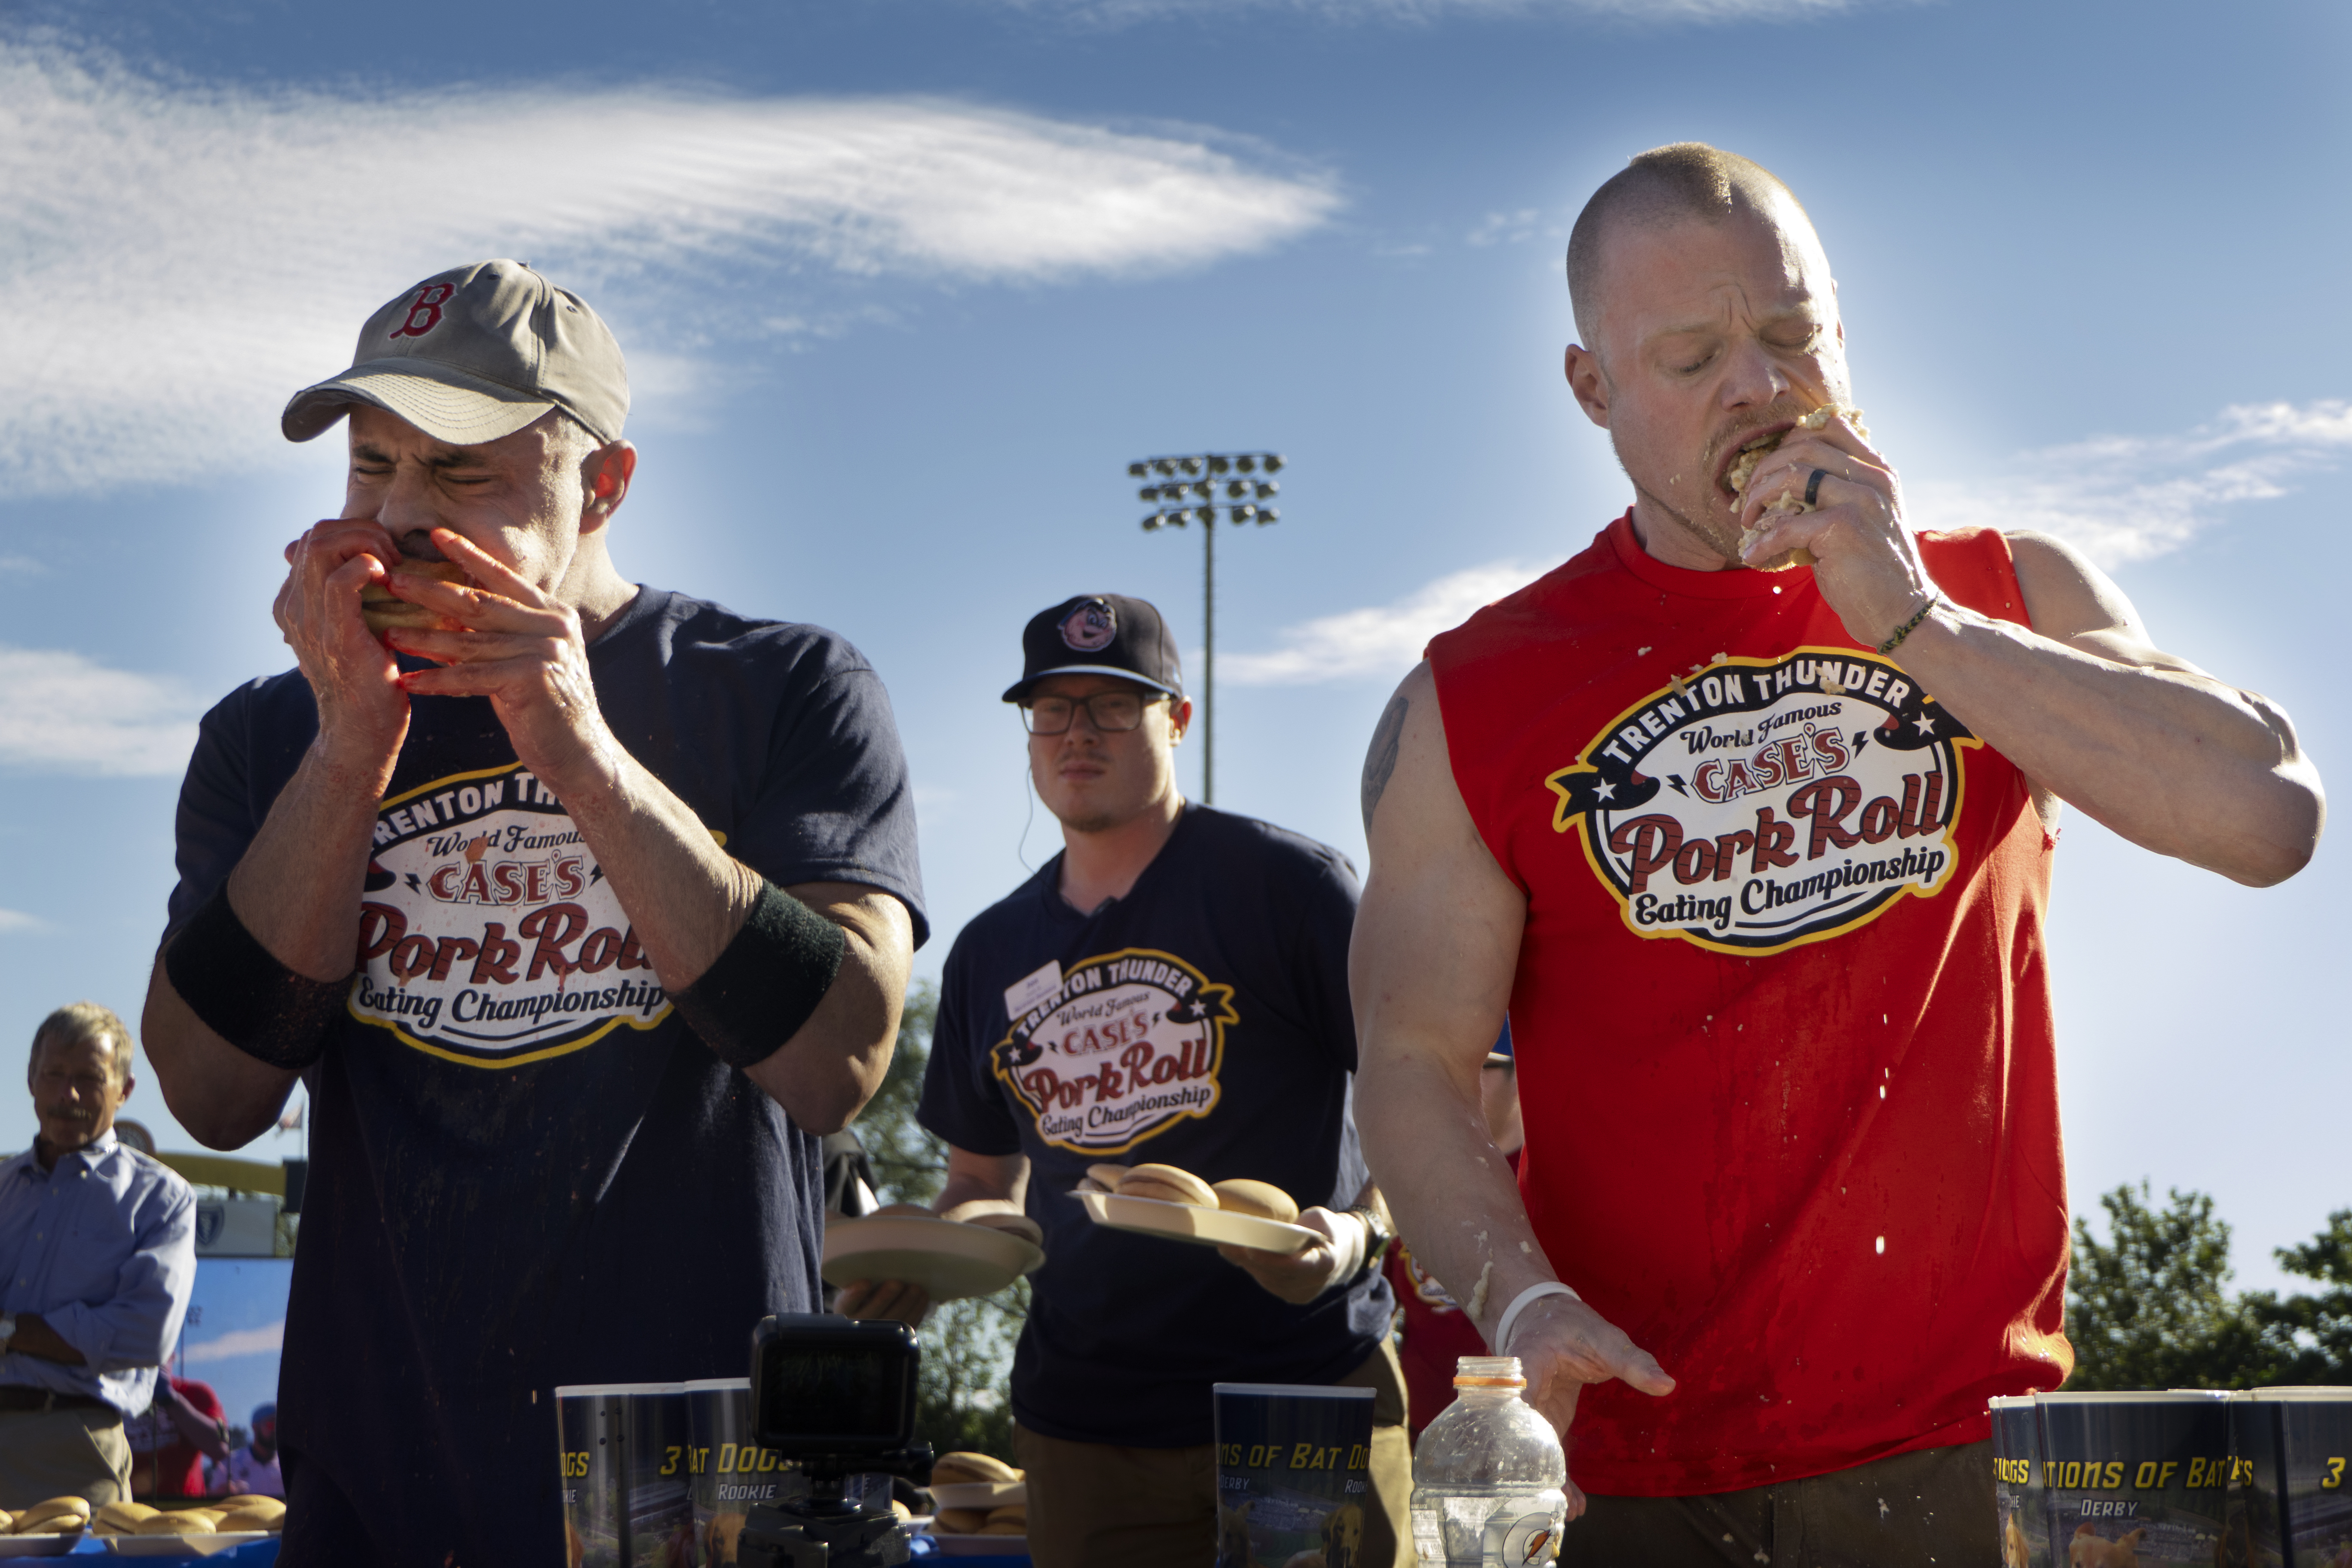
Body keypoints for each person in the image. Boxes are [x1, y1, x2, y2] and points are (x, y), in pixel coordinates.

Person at [1350, 143, 2324, 1566]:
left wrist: (1915, 620)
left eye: (1793, 335)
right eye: (1689, 355)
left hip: (1969, 1455)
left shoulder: (2003, 589)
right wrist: (1517, 1298)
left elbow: (2268, 816)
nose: (1757, 385)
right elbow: (1416, 1059)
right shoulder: (1472, 696)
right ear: (1591, 390)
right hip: (1631, 1461)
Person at [140, 260, 926, 1565]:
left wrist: (581, 753)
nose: (393, 518)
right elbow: (210, 1090)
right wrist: (348, 756)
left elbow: (840, 1055)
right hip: (377, 1490)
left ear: (602, 486)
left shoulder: (782, 688)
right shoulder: (272, 731)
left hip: (698, 1493)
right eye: (369, 466)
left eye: (458, 474)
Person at [839, 594, 1408, 1568]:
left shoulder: (1288, 886)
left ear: (1175, 717)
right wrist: (921, 1271)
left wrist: (1355, 1234)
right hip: (1086, 1420)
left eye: (1111, 705)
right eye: (1052, 710)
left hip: (1303, 1388)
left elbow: (1425, 1100)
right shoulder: (990, 950)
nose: (1076, 734)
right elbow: (983, 1186)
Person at [0, 1003, 197, 1507]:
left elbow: (147, 1333)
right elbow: (116, 1332)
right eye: (54, 1075)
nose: (67, 1094)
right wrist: (65, 1333)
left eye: (89, 1078)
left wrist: (10, 1331)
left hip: (73, 1448)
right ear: (30, 1080)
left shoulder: (161, 1197)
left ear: (124, 1090)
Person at [1381, 1025, 1519, 1446]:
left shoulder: (1549, 1183)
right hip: (1426, 1441)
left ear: (1523, 1076)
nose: (1451, 1083)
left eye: (1479, 1066)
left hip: (1524, 1444)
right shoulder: (1410, 1176)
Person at [123, 1375, 230, 1499]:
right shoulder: (113, 1394)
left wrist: (171, 1399)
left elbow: (220, 1449)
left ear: (173, 1356)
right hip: (129, 1508)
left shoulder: (194, 1392)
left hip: (187, 1509)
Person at [224, 1402, 285, 1498]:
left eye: (281, 1426)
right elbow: (210, 1497)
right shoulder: (230, 1462)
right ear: (255, 1427)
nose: (276, 1430)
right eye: (272, 1425)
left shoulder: (288, 1465)